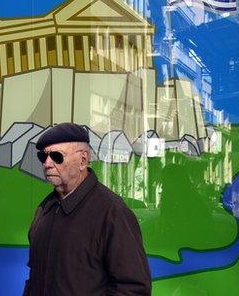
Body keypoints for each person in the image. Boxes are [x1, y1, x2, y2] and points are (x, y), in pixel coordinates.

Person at [23, 123, 151, 295]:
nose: (47, 163)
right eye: (43, 156)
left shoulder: (112, 213)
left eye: (56, 156)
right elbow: (36, 276)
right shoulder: (45, 209)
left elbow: (134, 289)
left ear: (83, 160)